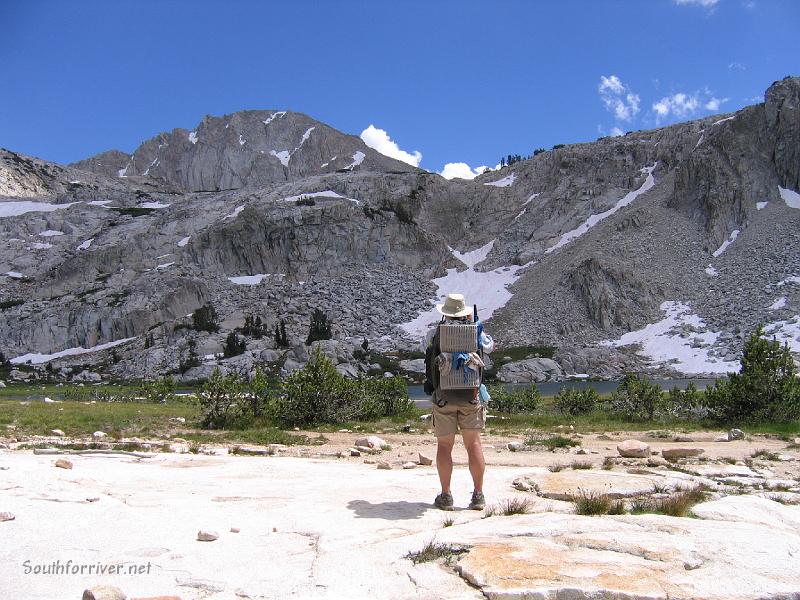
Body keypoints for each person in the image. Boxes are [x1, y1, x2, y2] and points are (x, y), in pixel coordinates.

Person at [423, 292, 494, 511]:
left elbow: (426, 350)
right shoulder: (477, 333)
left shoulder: (435, 333)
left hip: (444, 397)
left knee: (445, 446)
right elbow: (490, 347)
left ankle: (446, 496)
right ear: (464, 312)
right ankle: (478, 495)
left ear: (446, 313)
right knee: (473, 444)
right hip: (470, 397)